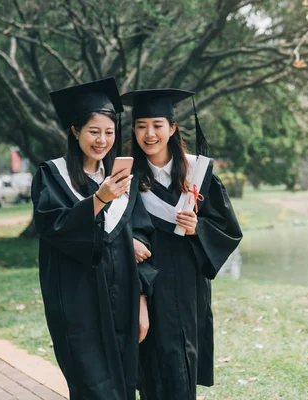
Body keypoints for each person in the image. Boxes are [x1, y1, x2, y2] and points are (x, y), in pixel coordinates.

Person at [31, 77, 157, 400]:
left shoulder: (121, 180)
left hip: (123, 305)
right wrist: (99, 200)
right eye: (93, 131)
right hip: (79, 311)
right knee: (95, 391)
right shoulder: (52, 176)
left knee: (124, 388)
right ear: (75, 132)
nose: (102, 140)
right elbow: (55, 228)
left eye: (109, 132)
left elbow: (140, 235)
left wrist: (141, 302)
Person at [120, 88, 243, 400]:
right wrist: (127, 242)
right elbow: (110, 225)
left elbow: (227, 227)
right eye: (141, 125)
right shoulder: (125, 176)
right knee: (150, 359)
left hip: (188, 283)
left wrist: (197, 228)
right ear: (133, 130)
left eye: (157, 125)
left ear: (172, 128)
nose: (149, 134)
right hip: (147, 281)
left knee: (182, 358)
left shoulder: (197, 172)